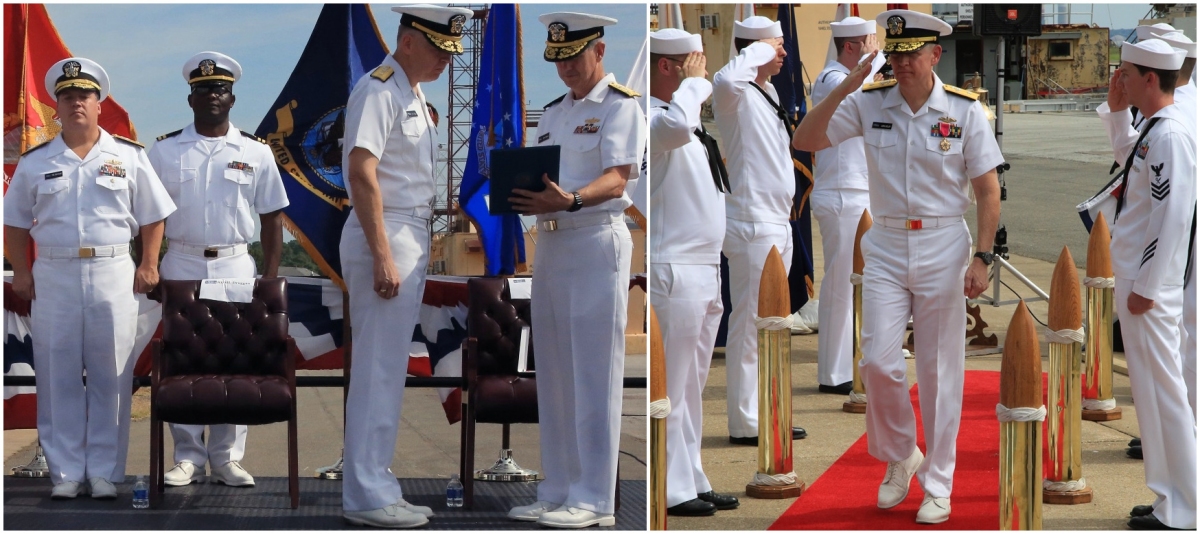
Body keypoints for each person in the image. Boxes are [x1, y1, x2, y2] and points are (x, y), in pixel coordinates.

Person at [793, 9, 1003, 524]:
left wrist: (982, 255)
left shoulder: (965, 111)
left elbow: (987, 189)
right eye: (897, 52)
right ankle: (902, 455)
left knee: (938, 372)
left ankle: (939, 482)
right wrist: (843, 89)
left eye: (913, 53)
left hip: (943, 244)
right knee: (877, 363)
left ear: (935, 55)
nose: (903, 61)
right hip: (885, 242)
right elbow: (806, 139)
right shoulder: (869, 103)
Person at [3, 58, 176, 500]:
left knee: (110, 375)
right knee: (57, 373)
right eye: (67, 97)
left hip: (113, 271)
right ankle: (63, 472)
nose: (76, 102)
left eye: (85, 95)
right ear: (56, 108)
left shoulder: (128, 155)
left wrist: (149, 263)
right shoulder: (36, 160)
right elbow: (14, 223)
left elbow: (154, 216)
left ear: (100, 104)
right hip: (54, 274)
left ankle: (103, 471)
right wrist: (21, 272)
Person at [504, 11, 645, 529]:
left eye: (574, 58)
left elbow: (617, 177)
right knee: (557, 375)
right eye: (558, 60)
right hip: (555, 246)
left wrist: (573, 200)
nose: (565, 70)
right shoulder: (555, 112)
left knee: (593, 374)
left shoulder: (620, 106)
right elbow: (545, 176)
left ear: (599, 52)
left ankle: (594, 499)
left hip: (594, 241)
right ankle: (558, 487)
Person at [338, 4, 472, 528]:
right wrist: (382, 256)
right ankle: (367, 494)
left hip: (408, 229)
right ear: (409, 40)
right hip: (385, 231)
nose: (445, 60)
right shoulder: (378, 88)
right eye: (439, 49)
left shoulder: (411, 93)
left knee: (388, 369)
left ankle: (375, 484)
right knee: (376, 369)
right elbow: (361, 170)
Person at [147, 51, 289, 489]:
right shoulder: (165, 150)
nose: (212, 96)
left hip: (234, 262)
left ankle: (227, 457)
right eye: (203, 89)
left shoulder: (256, 152)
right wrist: (148, 265)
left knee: (234, 357)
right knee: (180, 357)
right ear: (191, 98)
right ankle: (187, 456)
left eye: (220, 89)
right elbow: (147, 216)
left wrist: (269, 275)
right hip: (182, 258)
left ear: (232, 98)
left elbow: (272, 218)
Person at [1095, 39, 1196, 531]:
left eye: (1128, 74)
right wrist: (1117, 113)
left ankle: (1186, 506)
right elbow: (1129, 165)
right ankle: (1168, 499)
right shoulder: (1155, 128)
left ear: (1151, 79)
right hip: (1140, 280)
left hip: (1149, 286)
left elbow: (1172, 217)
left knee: (1165, 395)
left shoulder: (1172, 133)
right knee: (1152, 395)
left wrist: (1149, 286)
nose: (1121, 81)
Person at [647, 28, 739, 518]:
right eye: (693, 63)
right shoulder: (656, 119)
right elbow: (679, 127)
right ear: (668, 67)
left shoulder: (683, 119)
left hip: (704, 267)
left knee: (691, 389)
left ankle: (690, 476)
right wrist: (695, 84)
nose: (702, 71)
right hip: (674, 269)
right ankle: (669, 486)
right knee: (673, 387)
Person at [712, 15, 806, 446]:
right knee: (748, 325)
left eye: (783, 45)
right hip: (753, 223)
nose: (784, 52)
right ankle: (745, 420)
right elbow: (725, 80)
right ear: (755, 49)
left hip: (776, 221)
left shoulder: (763, 90)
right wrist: (757, 48)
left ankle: (766, 411)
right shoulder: (736, 91)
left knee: (771, 323)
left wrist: (763, 50)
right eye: (777, 45)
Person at [810, 17, 885, 395]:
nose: (877, 46)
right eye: (871, 40)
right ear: (853, 46)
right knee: (841, 284)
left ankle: (847, 364)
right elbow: (860, 93)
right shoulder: (830, 78)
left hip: (857, 192)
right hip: (841, 194)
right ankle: (834, 372)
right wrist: (880, 58)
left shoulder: (851, 76)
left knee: (854, 283)